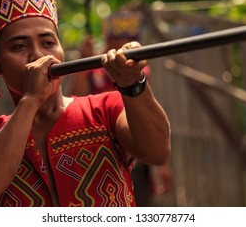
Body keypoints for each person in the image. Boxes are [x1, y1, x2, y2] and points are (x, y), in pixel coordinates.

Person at [0, 0, 171, 207]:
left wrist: (133, 83)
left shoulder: (107, 109)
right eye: (19, 47)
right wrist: (31, 100)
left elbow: (157, 152)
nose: (38, 55)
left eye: (48, 43)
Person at [67, 10, 172, 206]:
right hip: (98, 155)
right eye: (117, 39)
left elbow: (147, 115)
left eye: (129, 40)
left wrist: (162, 166)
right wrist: (82, 63)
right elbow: (75, 102)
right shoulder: (93, 70)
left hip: (135, 155)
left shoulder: (138, 71)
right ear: (108, 42)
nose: (123, 46)